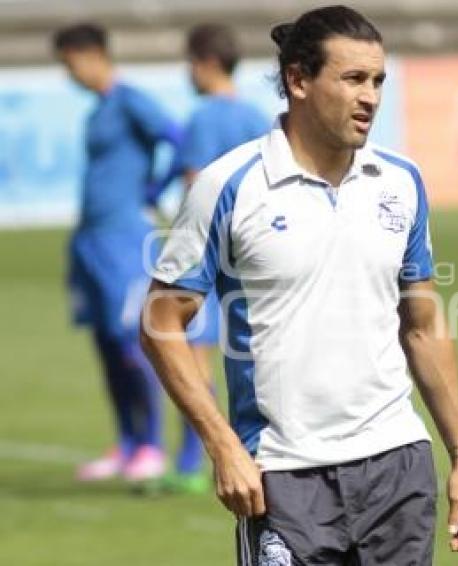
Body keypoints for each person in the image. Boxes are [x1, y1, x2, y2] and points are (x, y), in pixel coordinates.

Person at [141, 5, 458, 565]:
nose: (370, 96)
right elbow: (160, 322)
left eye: (377, 81)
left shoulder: (401, 182)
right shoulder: (228, 185)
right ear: (298, 80)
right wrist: (222, 443)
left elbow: (422, 328)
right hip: (283, 474)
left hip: (398, 466)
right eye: (352, 79)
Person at [53, 22, 181, 482]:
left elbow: (176, 137)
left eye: (70, 64)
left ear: (90, 55)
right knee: (106, 344)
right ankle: (126, 443)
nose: (70, 75)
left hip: (125, 239)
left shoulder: (130, 100)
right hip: (90, 239)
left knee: (132, 343)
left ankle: (152, 445)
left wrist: (156, 187)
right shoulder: (98, 111)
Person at [157, 23, 269, 495]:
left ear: (205, 62)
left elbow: (194, 183)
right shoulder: (258, 115)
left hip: (210, 256)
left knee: (189, 358)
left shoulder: (204, 117)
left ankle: (189, 463)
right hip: (256, 254)